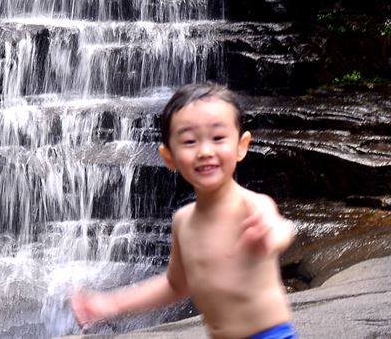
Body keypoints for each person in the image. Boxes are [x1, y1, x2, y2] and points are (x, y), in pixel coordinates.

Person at [70, 82, 297, 339]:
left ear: (241, 146)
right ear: (169, 157)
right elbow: (175, 285)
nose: (205, 151)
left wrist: (270, 235)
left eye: (218, 138)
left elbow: (281, 229)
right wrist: (111, 304)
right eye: (189, 141)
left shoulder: (252, 205)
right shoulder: (184, 222)